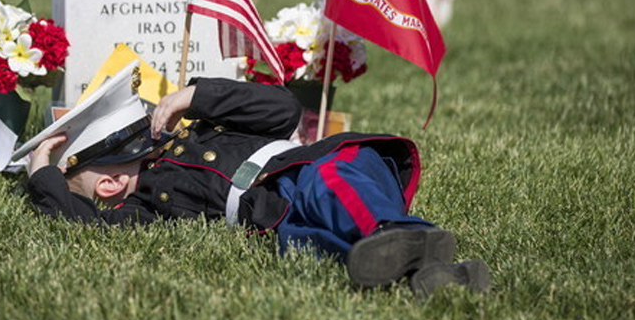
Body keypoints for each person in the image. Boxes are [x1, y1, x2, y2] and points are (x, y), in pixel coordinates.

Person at [26, 72, 489, 297]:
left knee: (329, 187)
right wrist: (43, 174)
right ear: (109, 188)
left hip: (311, 165)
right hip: (269, 214)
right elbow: (83, 228)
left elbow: (282, 110)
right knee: (307, 241)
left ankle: (393, 232)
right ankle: (431, 274)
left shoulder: (200, 123)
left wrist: (199, 96)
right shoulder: (143, 206)